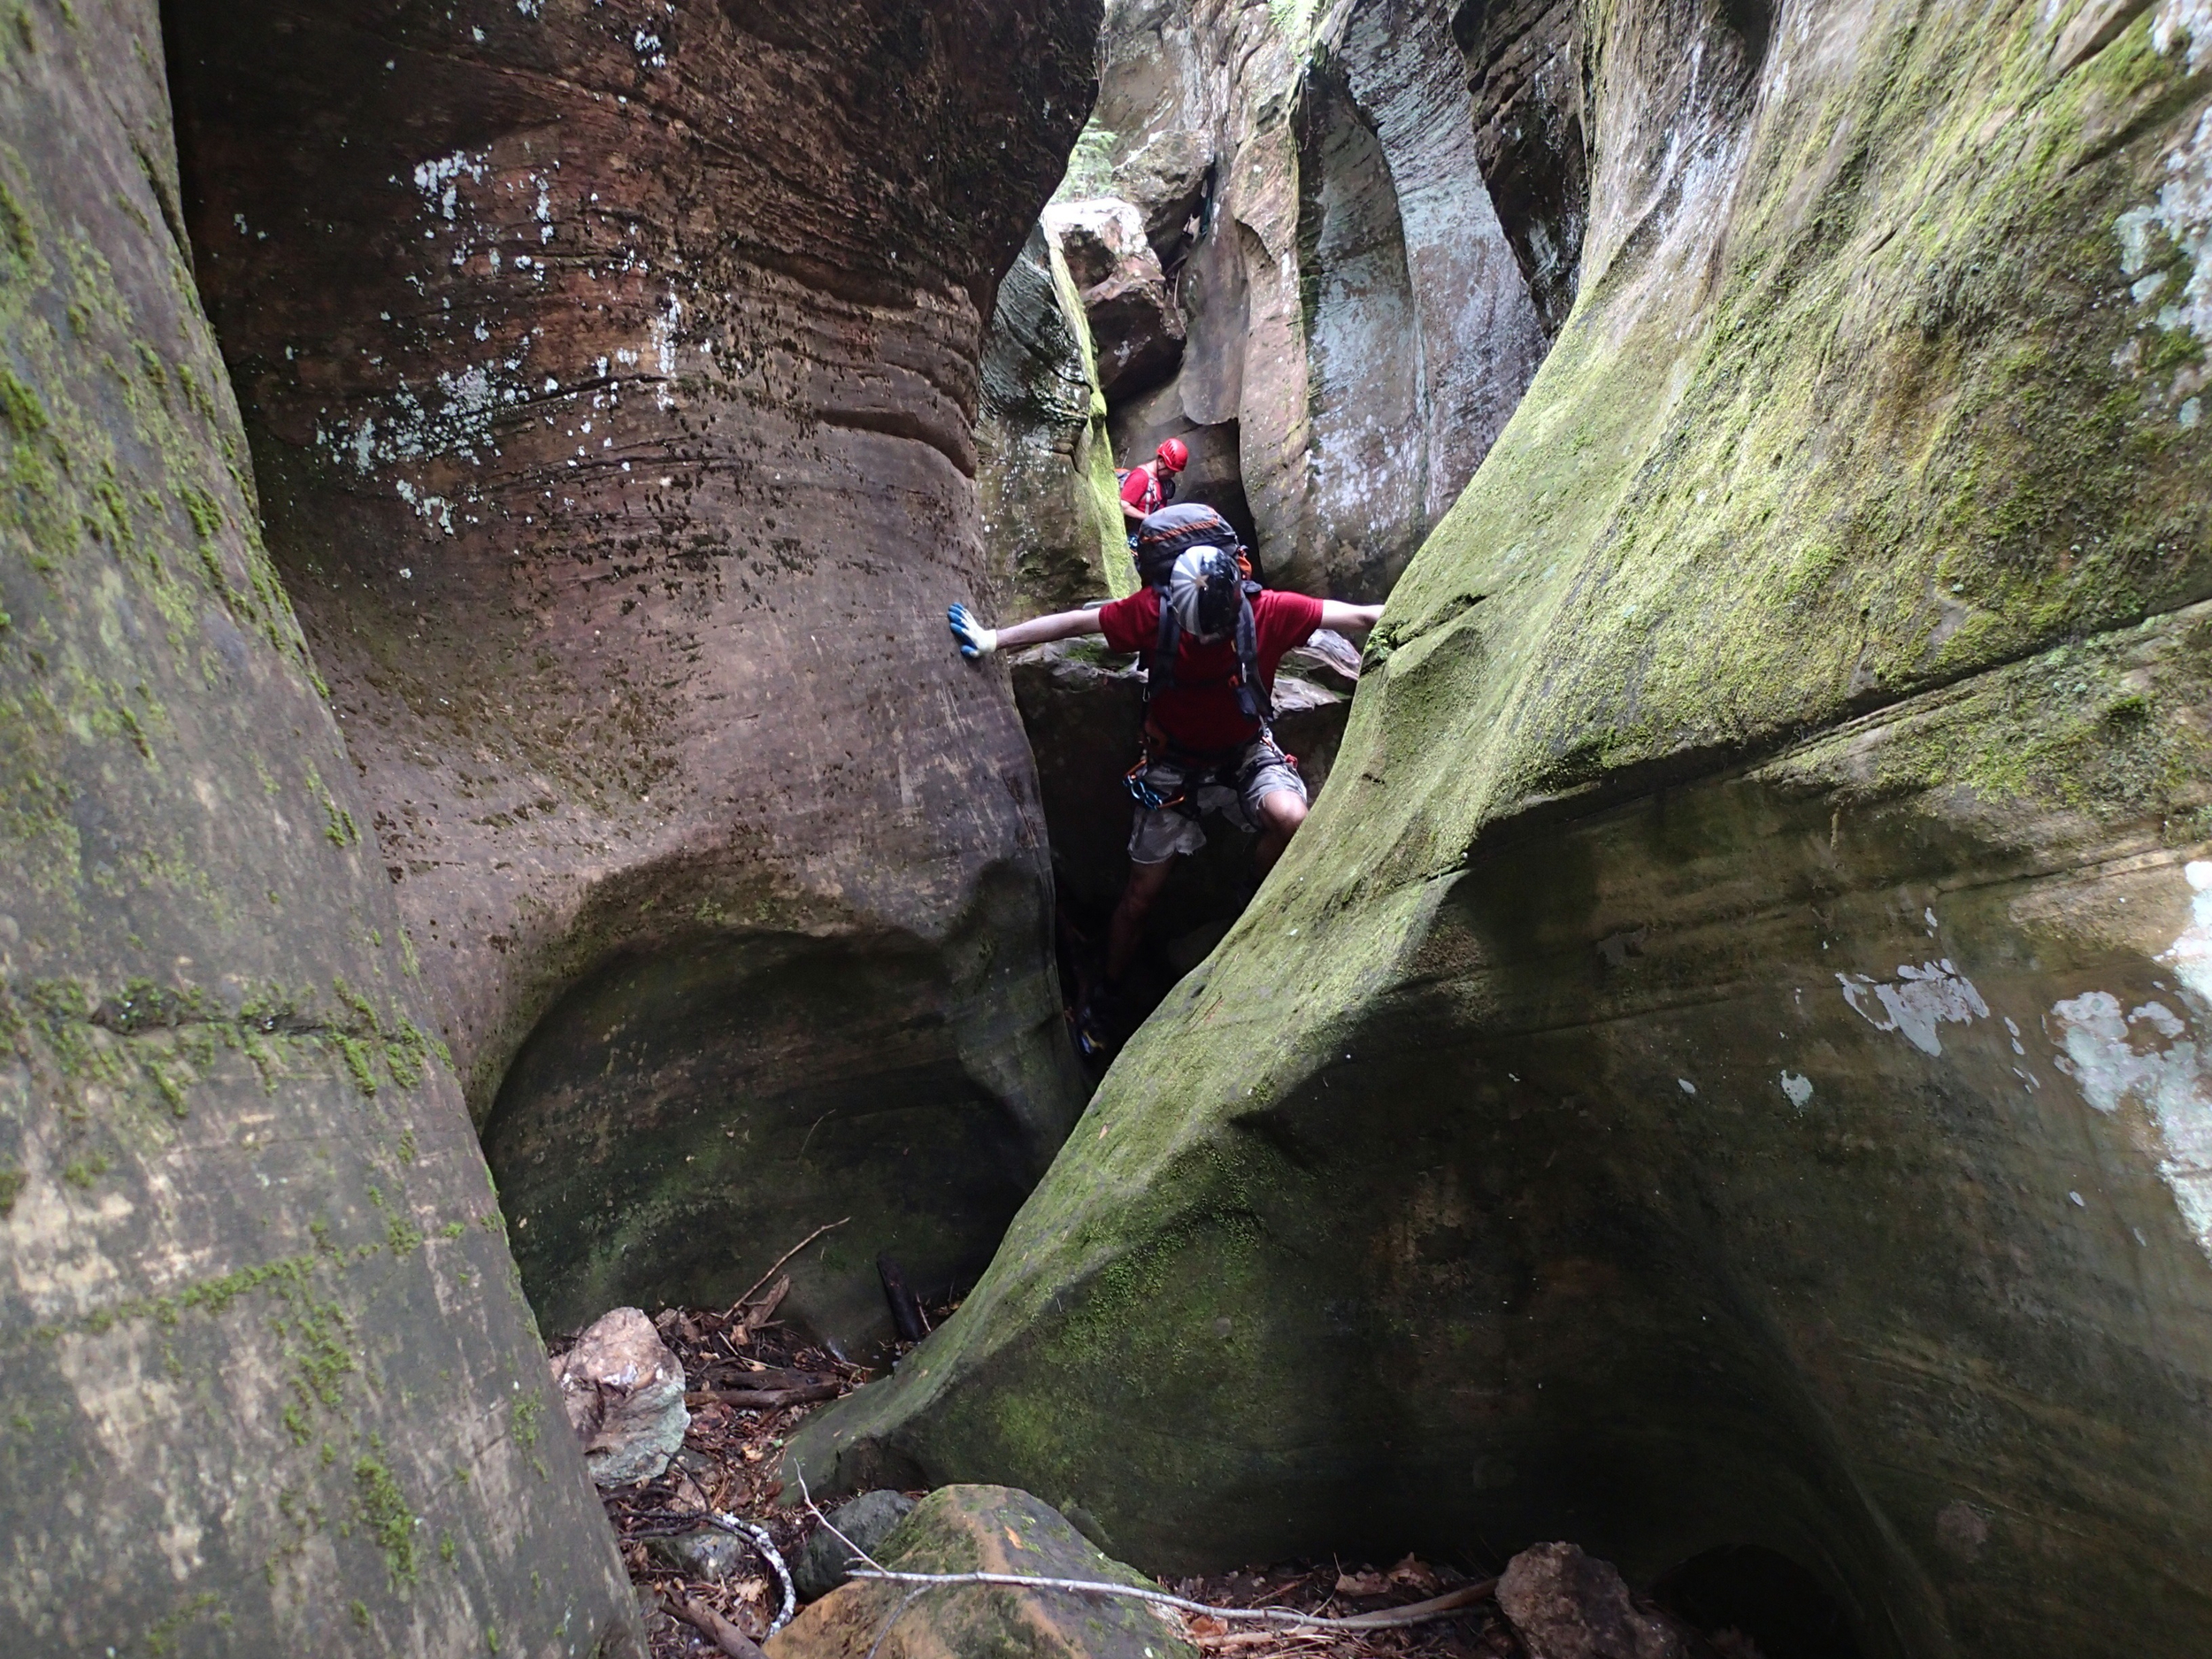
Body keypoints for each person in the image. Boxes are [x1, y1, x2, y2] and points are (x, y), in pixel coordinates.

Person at [948, 504, 1381, 1056]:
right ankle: (1107, 993)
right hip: (1172, 764)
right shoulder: (1155, 612)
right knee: (1139, 896)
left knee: (1292, 818)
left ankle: (1255, 905)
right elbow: (1075, 622)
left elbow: (1361, 617)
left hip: (1246, 752)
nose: (1201, 641)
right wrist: (993, 639)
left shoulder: (1269, 611)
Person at [1118, 437, 1188, 526]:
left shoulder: (1162, 481)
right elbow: (1123, 506)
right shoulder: (1140, 477)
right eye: (1171, 471)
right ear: (1161, 461)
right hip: (1135, 534)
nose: (1172, 475)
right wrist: (1148, 518)